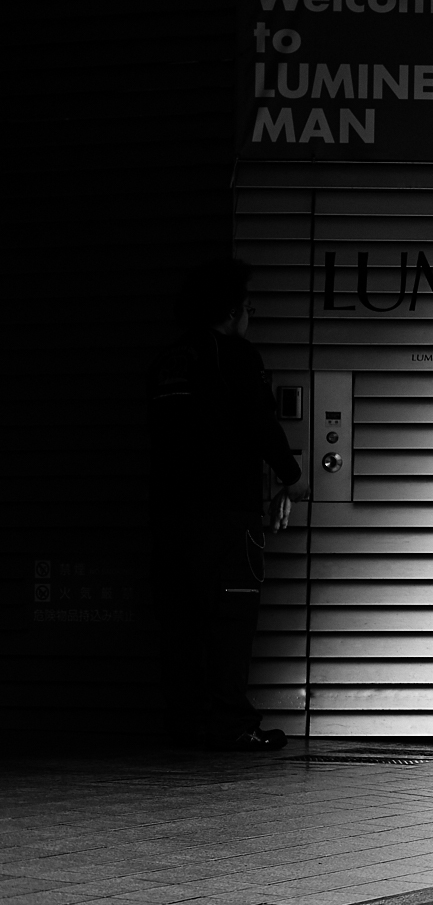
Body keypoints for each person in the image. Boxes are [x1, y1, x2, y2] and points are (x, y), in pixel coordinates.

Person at [149, 260, 301, 750]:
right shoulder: (236, 356)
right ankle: (233, 723)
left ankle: (186, 722)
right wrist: (292, 476)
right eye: (248, 307)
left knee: (182, 622)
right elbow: (259, 424)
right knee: (232, 621)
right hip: (228, 517)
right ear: (233, 310)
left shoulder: (171, 360)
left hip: (172, 515)